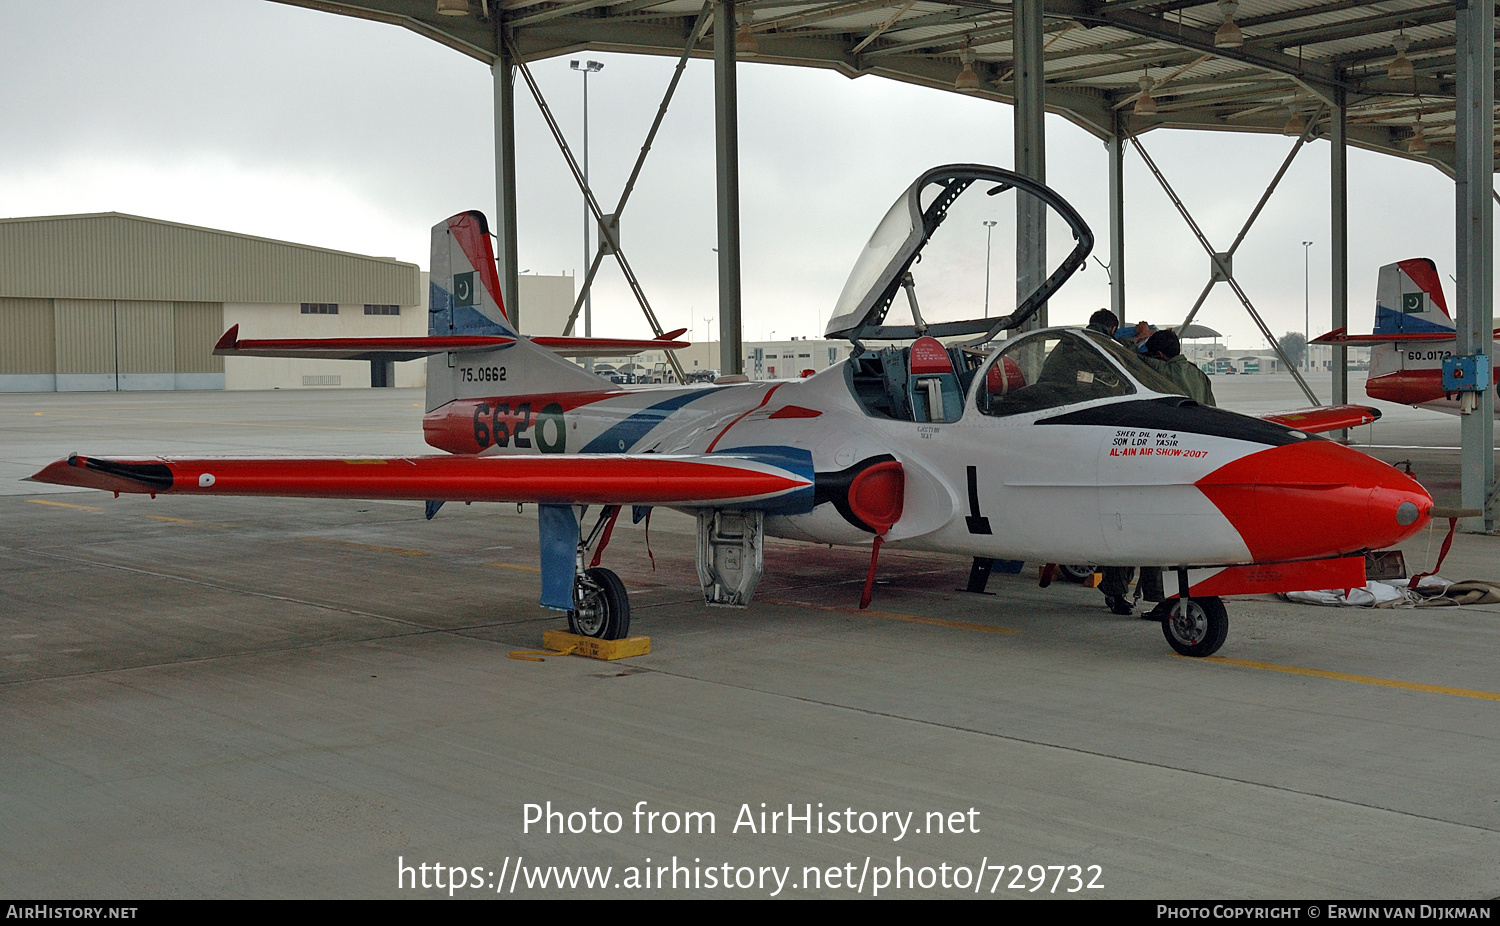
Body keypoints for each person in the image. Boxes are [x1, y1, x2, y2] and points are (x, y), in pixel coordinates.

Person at [1142, 329, 1216, 407]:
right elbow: (1211, 406)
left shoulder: (1161, 369)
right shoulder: (1200, 375)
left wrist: (1139, 336)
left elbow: (1130, 356)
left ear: (1159, 354)